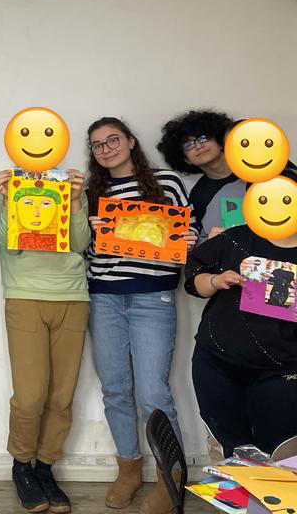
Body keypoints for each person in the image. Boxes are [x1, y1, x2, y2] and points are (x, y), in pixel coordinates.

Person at [85, 118, 197, 514]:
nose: (106, 149)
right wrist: (90, 230)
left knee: (154, 393)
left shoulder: (166, 183)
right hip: (104, 298)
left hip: (153, 298)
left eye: (113, 140)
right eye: (97, 145)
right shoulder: (91, 191)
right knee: (115, 389)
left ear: (131, 141)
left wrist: (188, 238)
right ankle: (128, 469)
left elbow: (190, 232)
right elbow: (81, 246)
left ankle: (172, 477)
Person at [0, 169, 90, 513]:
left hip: (73, 297)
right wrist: (6, 199)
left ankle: (45, 468)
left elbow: (80, 243)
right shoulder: (5, 185)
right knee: (30, 396)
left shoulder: (71, 185)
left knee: (62, 395)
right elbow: (8, 241)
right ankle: (21, 466)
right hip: (24, 296)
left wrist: (74, 199)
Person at [184, 169, 297, 456]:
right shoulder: (234, 239)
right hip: (217, 362)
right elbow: (193, 278)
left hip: (282, 370)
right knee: (231, 451)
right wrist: (215, 281)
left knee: (280, 456)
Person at [157, 110, 245, 243]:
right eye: (189, 145)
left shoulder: (256, 167)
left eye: (203, 138)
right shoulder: (198, 196)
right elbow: (199, 238)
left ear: (220, 142)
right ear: (186, 159)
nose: (198, 146)